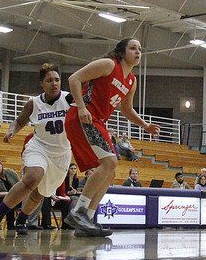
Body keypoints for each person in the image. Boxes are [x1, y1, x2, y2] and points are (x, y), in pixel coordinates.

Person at [65, 38, 159, 237]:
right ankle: (79, 211)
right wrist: (81, 107)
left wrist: (145, 125)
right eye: (133, 48)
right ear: (122, 52)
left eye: (140, 49)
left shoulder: (132, 80)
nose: (138, 52)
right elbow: (74, 78)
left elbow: (127, 109)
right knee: (110, 162)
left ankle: (87, 219)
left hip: (98, 121)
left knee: (110, 172)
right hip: (82, 116)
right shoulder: (109, 65)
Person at [0, 63, 74, 237]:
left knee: (40, 194)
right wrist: (12, 130)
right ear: (42, 83)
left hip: (62, 153)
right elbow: (19, 121)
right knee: (33, 177)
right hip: (39, 147)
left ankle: (22, 219)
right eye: (49, 80)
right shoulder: (34, 103)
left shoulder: (69, 99)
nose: (54, 83)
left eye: (57, 80)